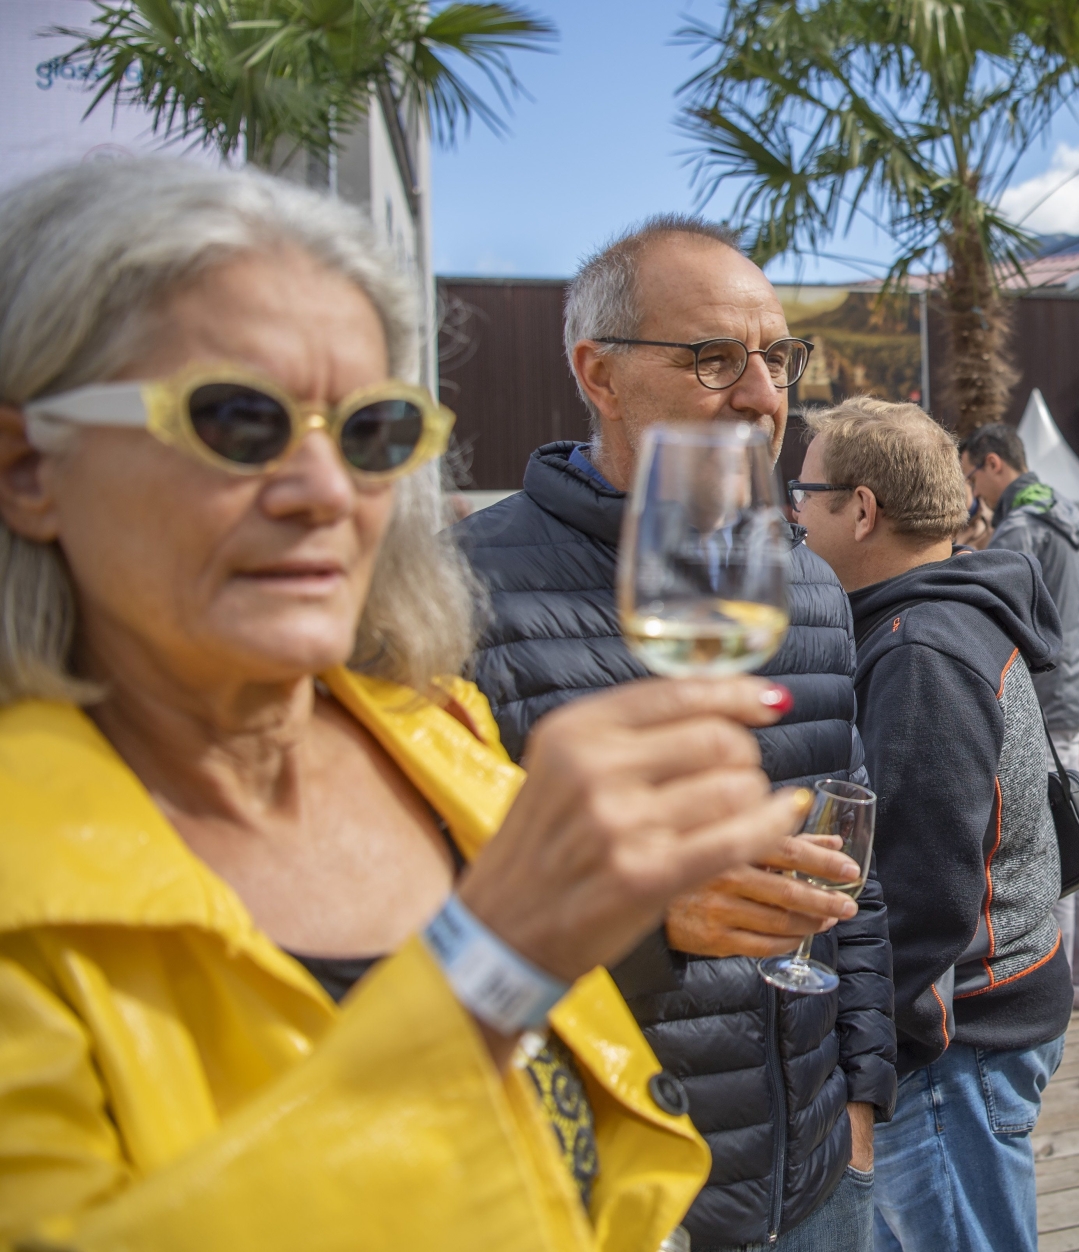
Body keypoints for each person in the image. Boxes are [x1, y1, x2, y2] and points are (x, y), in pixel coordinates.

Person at [0, 159, 814, 1249]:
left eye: (372, 432)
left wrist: (642, 927)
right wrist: (490, 965)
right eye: (236, 420)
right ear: (28, 466)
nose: (326, 489)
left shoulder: (428, 733)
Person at [455, 218, 893, 1252]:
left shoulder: (810, 584)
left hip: (820, 1176)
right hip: (612, 1195)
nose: (760, 393)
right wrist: (647, 919)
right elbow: (430, 922)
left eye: (776, 357)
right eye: (713, 359)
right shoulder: (461, 593)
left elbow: (852, 868)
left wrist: (862, 1098)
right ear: (597, 375)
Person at [795, 398, 1072, 1252]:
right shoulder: (939, 613)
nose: (795, 516)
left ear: (863, 508)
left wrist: (868, 1063)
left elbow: (921, 898)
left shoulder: (920, 650)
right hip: (975, 1024)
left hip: (954, 1045)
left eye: (804, 496)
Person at [958, 424, 1079, 1009]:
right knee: (1076, 823)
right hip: (1072, 686)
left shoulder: (1018, 526)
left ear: (993, 464)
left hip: (1040, 696)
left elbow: (997, 617)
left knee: (1055, 839)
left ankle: (1062, 974)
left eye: (972, 477)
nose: (974, 493)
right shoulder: (1065, 509)